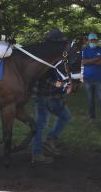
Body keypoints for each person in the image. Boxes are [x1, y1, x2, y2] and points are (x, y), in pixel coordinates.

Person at [31, 29, 72, 164]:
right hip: (42, 96)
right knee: (42, 124)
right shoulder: (44, 56)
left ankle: (50, 139)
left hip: (53, 96)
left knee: (65, 116)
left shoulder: (56, 56)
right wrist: (57, 83)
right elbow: (40, 77)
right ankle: (36, 154)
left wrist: (64, 85)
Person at [82, 33, 101, 127]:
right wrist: (97, 59)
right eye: (91, 40)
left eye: (95, 40)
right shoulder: (85, 50)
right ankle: (92, 118)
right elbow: (83, 62)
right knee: (90, 100)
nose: (93, 42)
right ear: (88, 41)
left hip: (98, 79)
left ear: (96, 40)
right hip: (87, 79)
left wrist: (90, 61)